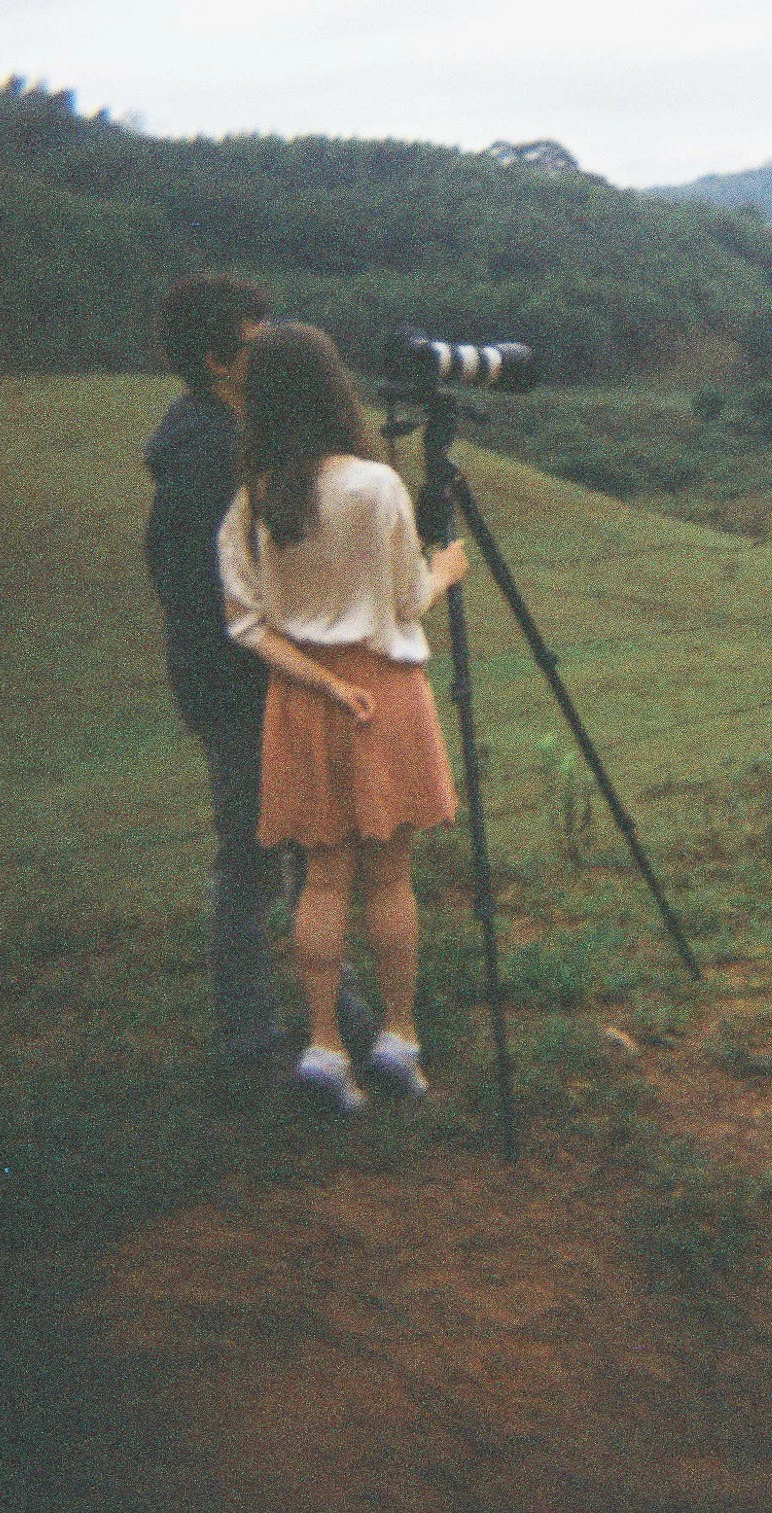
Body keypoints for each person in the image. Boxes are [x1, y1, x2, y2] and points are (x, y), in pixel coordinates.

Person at [217, 321, 467, 1113]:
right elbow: (405, 600)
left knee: (321, 879)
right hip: (384, 690)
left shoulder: (253, 498)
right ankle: (398, 1036)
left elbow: (248, 624)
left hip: (302, 700)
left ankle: (324, 1047)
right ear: (333, 390)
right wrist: (444, 571)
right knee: (389, 875)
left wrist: (321, 683)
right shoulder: (374, 485)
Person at [143, 275, 376, 1075]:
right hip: (241, 686)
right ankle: (251, 1035)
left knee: (307, 847)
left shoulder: (219, 437)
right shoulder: (209, 455)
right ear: (216, 360)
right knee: (254, 858)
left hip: (260, 677)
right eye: (254, 338)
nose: (269, 348)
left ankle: (331, 1007)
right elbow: (200, 590)